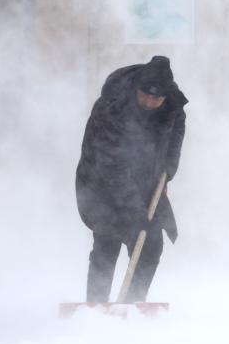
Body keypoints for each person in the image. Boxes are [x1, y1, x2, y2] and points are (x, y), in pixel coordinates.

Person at [75, 55, 188, 303]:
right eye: (145, 95)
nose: (149, 102)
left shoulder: (172, 105)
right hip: (101, 181)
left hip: (145, 179)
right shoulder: (112, 106)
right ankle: (97, 307)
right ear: (136, 88)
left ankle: (131, 305)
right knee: (108, 239)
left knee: (151, 243)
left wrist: (168, 168)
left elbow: (176, 131)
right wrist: (136, 213)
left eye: (156, 98)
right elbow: (111, 166)